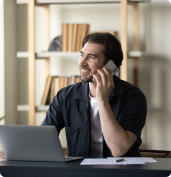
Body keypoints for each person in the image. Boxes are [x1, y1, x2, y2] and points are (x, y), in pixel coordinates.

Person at [0, 32, 147, 159]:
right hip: (79, 171)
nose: (81, 63)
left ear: (110, 65)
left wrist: (102, 100)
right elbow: (42, 139)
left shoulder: (133, 97)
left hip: (121, 173)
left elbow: (118, 149)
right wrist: (17, 151)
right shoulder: (65, 96)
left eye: (91, 57)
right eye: (81, 55)